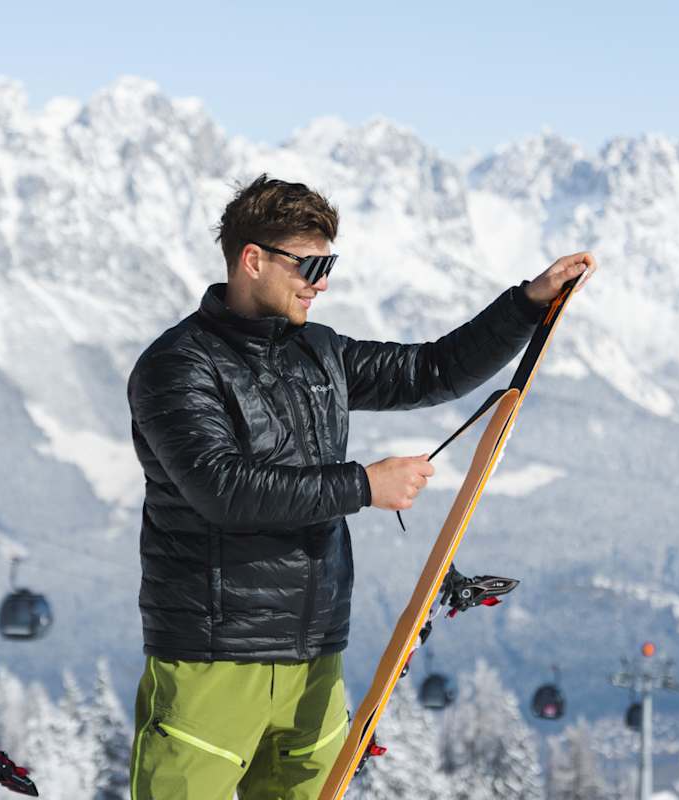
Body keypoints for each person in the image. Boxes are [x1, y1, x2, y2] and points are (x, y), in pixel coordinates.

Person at [125, 174, 595, 799]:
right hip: (212, 658)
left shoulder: (319, 352)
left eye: (330, 263)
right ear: (252, 259)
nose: (322, 281)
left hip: (316, 655)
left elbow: (431, 370)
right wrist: (363, 486)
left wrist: (527, 304)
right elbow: (223, 489)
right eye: (311, 264)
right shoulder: (176, 366)